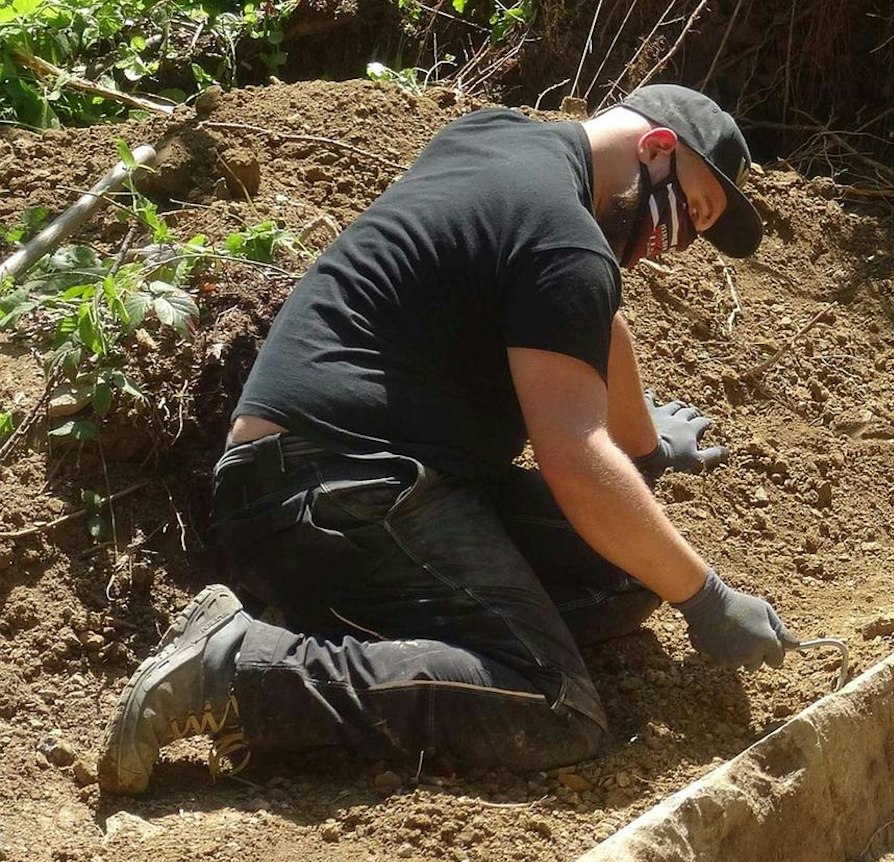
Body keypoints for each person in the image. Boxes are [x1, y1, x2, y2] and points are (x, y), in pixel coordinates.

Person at [97, 85, 798, 794]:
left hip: (343, 472)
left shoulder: (497, 139)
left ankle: (409, 638)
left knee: (625, 575)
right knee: (556, 706)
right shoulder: (565, 238)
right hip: (330, 488)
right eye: (688, 212)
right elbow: (576, 461)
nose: (668, 242)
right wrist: (707, 600)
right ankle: (236, 669)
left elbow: (593, 319)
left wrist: (647, 452)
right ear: (656, 151)